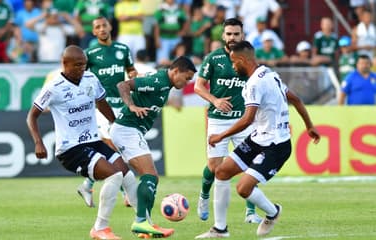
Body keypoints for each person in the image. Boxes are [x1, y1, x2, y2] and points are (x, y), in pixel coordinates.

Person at [196, 40, 321, 238]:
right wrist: (310, 126)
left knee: (243, 188)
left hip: (276, 146)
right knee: (221, 172)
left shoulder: (254, 83)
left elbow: (247, 119)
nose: (232, 66)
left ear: (242, 60)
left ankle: (273, 212)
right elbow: (295, 98)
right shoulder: (270, 73)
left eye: (233, 62)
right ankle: (220, 229)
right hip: (257, 139)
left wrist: (220, 136)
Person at [26, 45, 138, 240]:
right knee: (114, 176)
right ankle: (100, 229)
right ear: (65, 64)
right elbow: (31, 116)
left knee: (127, 174)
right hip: (70, 149)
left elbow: (101, 103)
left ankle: (143, 222)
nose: (81, 69)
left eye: (84, 65)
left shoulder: (90, 78)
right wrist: (38, 142)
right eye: (77, 65)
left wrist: (115, 123)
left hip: (93, 140)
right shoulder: (54, 87)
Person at [109, 56, 197, 238]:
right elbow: (123, 85)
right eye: (186, 78)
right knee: (150, 176)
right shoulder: (158, 81)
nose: (187, 82)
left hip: (132, 131)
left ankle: (145, 224)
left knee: (149, 177)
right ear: (175, 71)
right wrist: (131, 106)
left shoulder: (165, 84)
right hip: (127, 129)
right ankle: (141, 221)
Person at [194, 18, 261, 225]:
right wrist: (215, 100)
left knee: (249, 166)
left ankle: (250, 212)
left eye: (236, 34)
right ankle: (204, 194)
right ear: (223, 36)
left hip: (243, 121)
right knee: (215, 168)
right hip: (218, 120)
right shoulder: (213, 58)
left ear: (243, 35)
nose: (232, 38)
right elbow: (198, 86)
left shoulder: (248, 58)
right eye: (229, 34)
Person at [76, 16, 138, 208]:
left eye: (104, 25)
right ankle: (127, 193)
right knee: (114, 147)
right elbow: (81, 78)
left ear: (110, 27)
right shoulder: (90, 53)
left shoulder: (123, 49)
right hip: (102, 108)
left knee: (115, 149)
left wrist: (135, 78)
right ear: (93, 32)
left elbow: (131, 71)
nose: (102, 29)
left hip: (122, 106)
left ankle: (87, 185)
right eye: (97, 27)